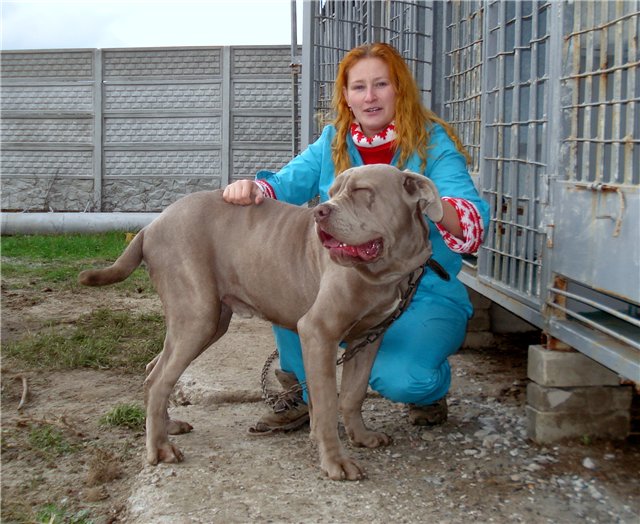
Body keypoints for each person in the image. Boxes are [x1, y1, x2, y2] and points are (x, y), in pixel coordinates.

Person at [223, 42, 490, 434]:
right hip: (348, 280)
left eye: (380, 84)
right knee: (292, 286)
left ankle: (428, 392)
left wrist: (428, 200)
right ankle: (304, 393)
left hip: (422, 290)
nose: (370, 97)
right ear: (346, 96)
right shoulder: (334, 140)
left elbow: (472, 224)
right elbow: (281, 186)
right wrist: (251, 189)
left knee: (405, 378)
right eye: (359, 87)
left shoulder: (431, 143)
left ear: (399, 89)